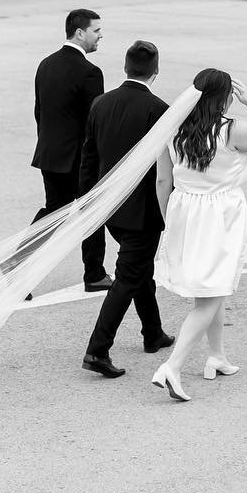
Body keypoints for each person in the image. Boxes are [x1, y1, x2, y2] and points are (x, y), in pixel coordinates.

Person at [151, 69, 247, 402]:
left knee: (210, 289)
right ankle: (173, 366)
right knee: (213, 291)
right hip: (219, 216)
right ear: (224, 97)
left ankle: (217, 355)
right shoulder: (230, 130)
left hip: (184, 210)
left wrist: (169, 221)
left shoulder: (174, 128)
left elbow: (163, 181)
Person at [79, 41, 176, 379]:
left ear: (125, 67)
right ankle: (97, 349)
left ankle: (153, 332)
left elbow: (88, 157)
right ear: (156, 70)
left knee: (138, 270)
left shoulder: (100, 103)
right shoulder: (159, 109)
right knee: (128, 276)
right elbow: (166, 170)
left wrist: (88, 201)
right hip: (142, 209)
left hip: (108, 206)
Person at [26, 8, 111, 291]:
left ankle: (18, 264)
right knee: (92, 212)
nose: (101, 36)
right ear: (80, 33)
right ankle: (95, 274)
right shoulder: (89, 72)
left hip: (50, 153)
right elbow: (94, 121)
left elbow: (40, 111)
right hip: (78, 159)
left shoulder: (45, 64)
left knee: (53, 214)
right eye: (96, 31)